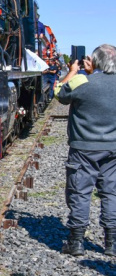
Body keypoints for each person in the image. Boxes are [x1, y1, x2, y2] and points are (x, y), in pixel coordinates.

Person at [55, 44, 116, 256]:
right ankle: (111, 243)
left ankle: (76, 242)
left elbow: (59, 94)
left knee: (80, 192)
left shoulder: (83, 81)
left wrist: (73, 71)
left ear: (95, 62)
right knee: (110, 192)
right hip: (113, 148)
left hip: (83, 148)